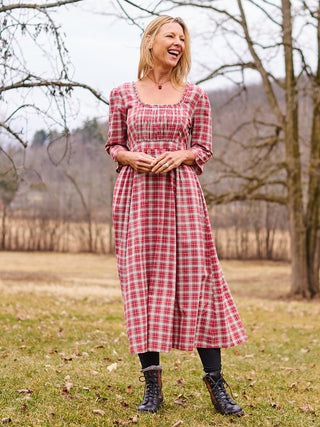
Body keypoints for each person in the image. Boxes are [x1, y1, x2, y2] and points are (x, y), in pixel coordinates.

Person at [105, 15, 247, 417]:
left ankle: (216, 383)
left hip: (182, 198)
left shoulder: (195, 96)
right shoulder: (121, 94)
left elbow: (203, 147)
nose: (178, 43)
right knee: (142, 285)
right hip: (137, 198)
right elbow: (114, 143)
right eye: (171, 36)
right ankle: (153, 387)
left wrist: (181, 154)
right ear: (151, 41)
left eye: (182, 38)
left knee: (199, 283)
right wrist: (128, 155)